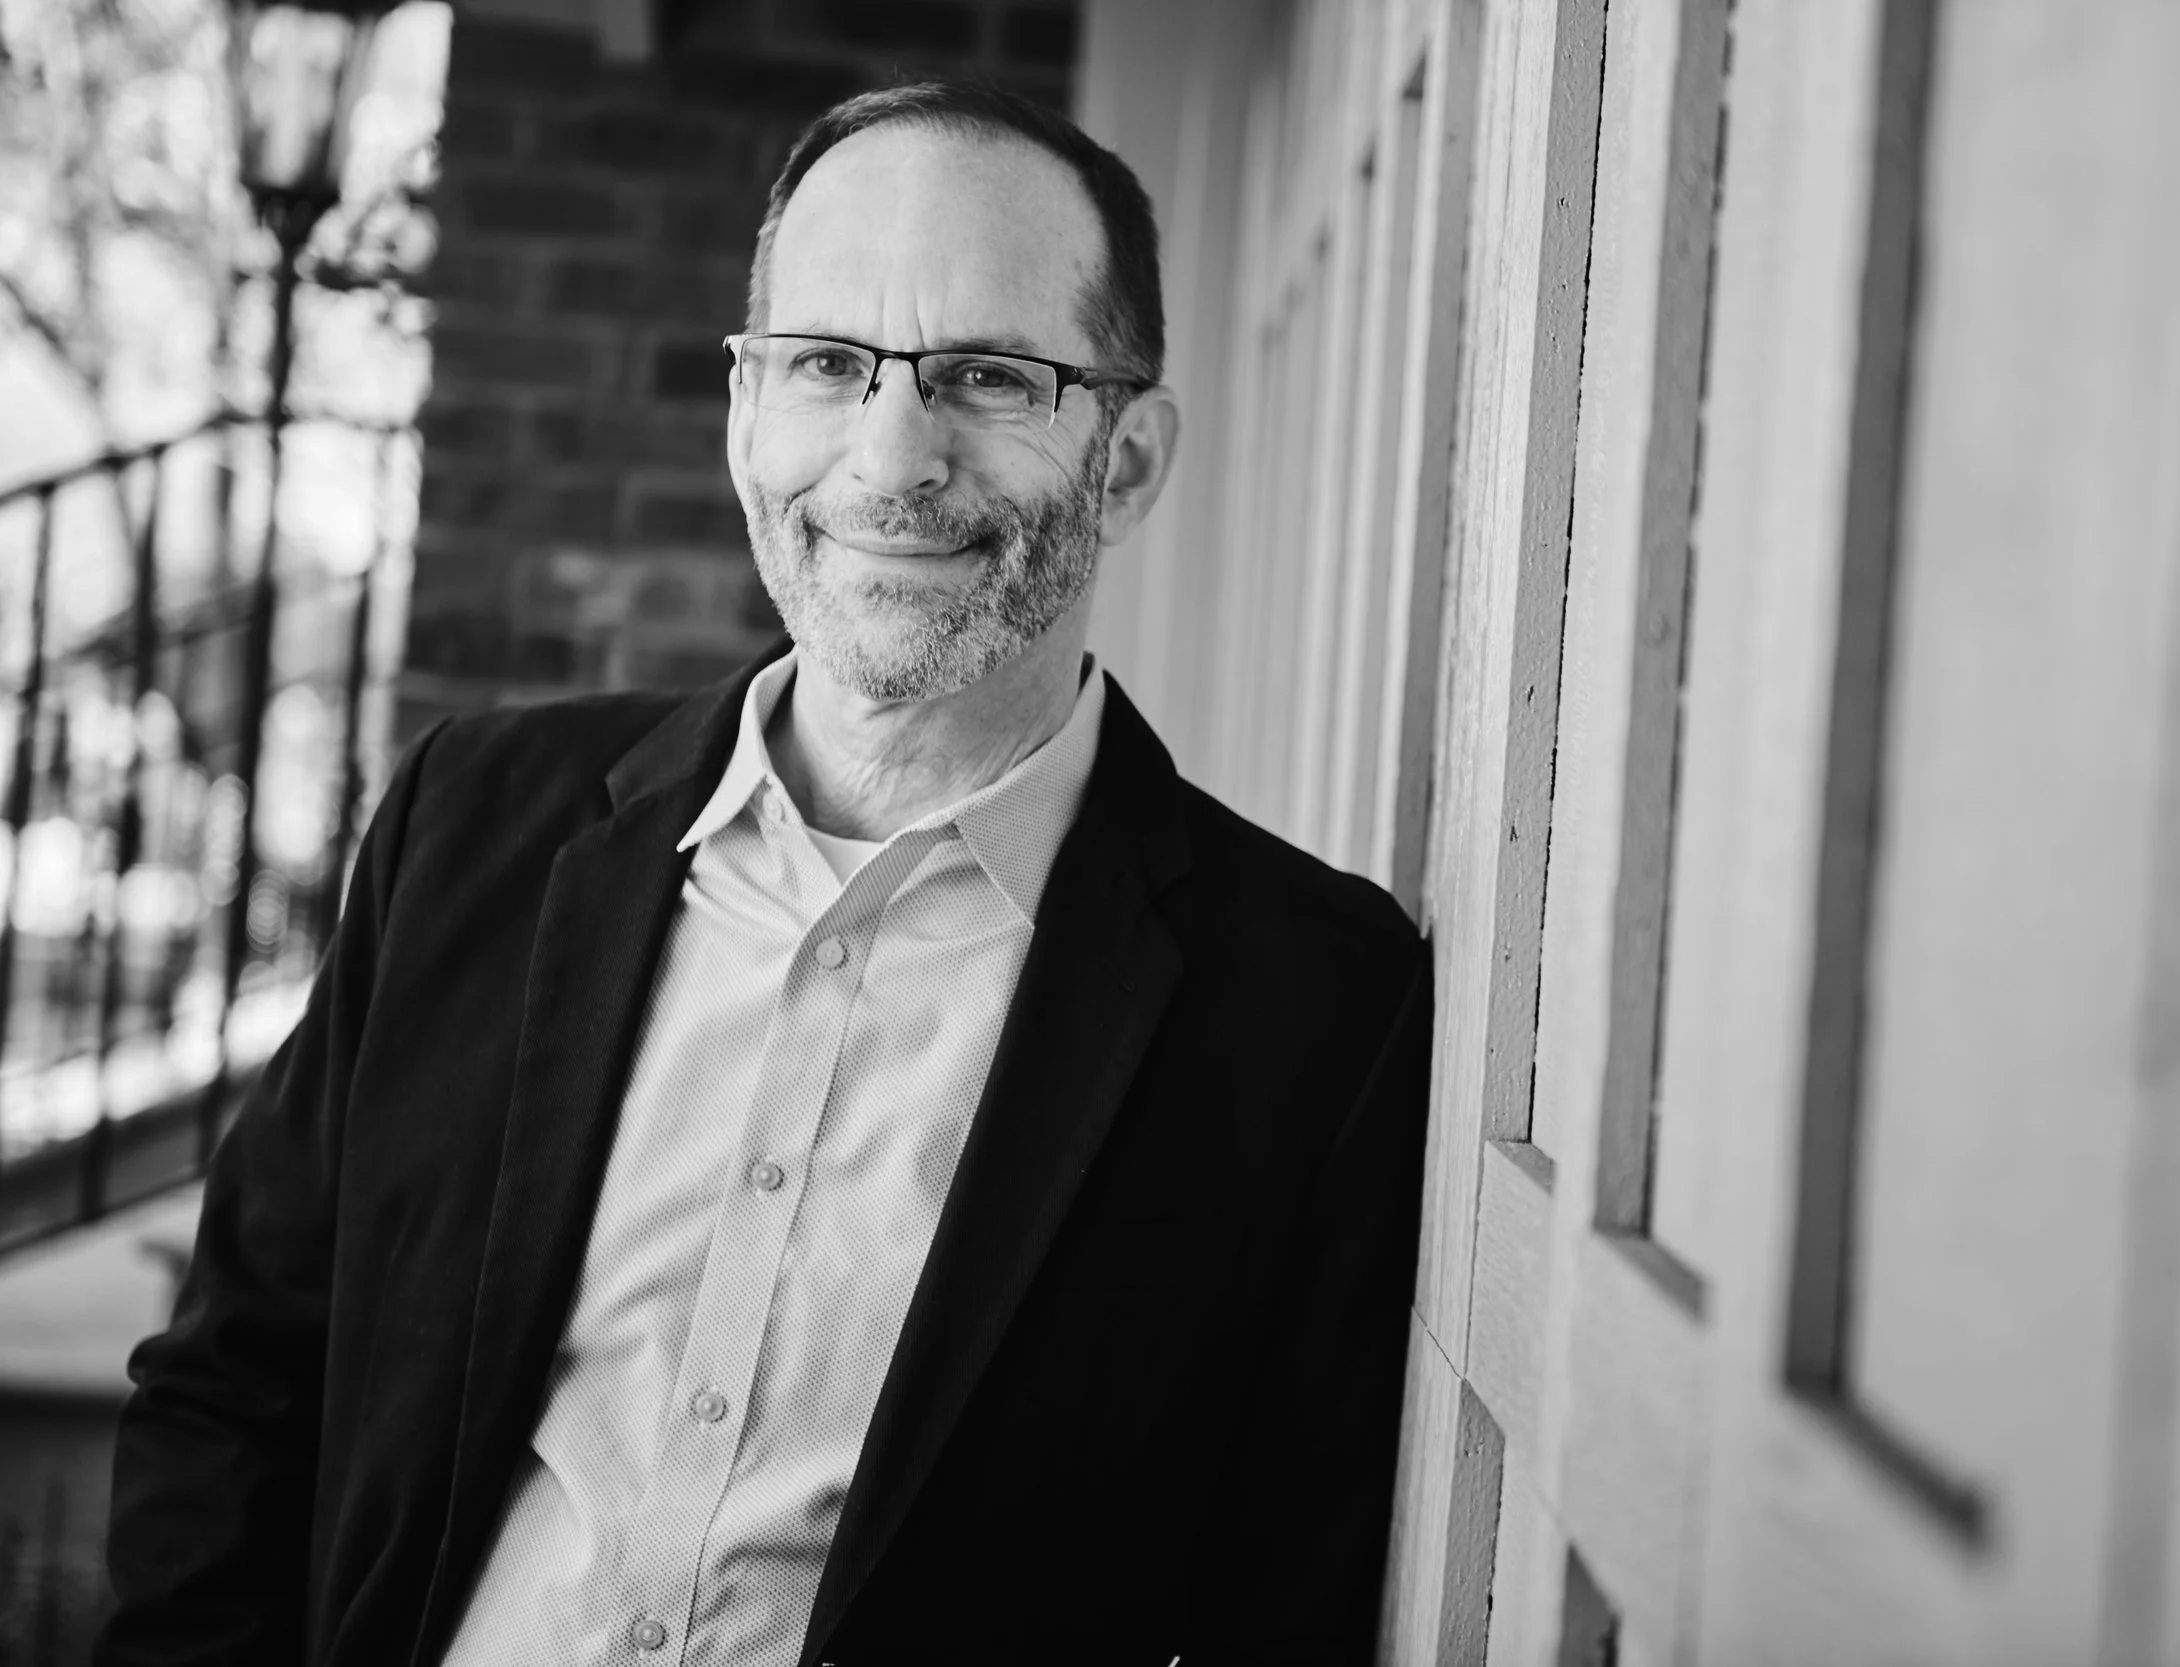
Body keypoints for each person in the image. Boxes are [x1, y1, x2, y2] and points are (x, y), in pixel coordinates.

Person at [97, 81, 1430, 1667]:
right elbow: (238, 1386)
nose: (891, 457)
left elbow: (1285, 1600)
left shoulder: (1309, 1011)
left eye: (990, 376)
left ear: (1129, 462)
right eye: (825, 366)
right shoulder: (475, 827)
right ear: (745, 415)